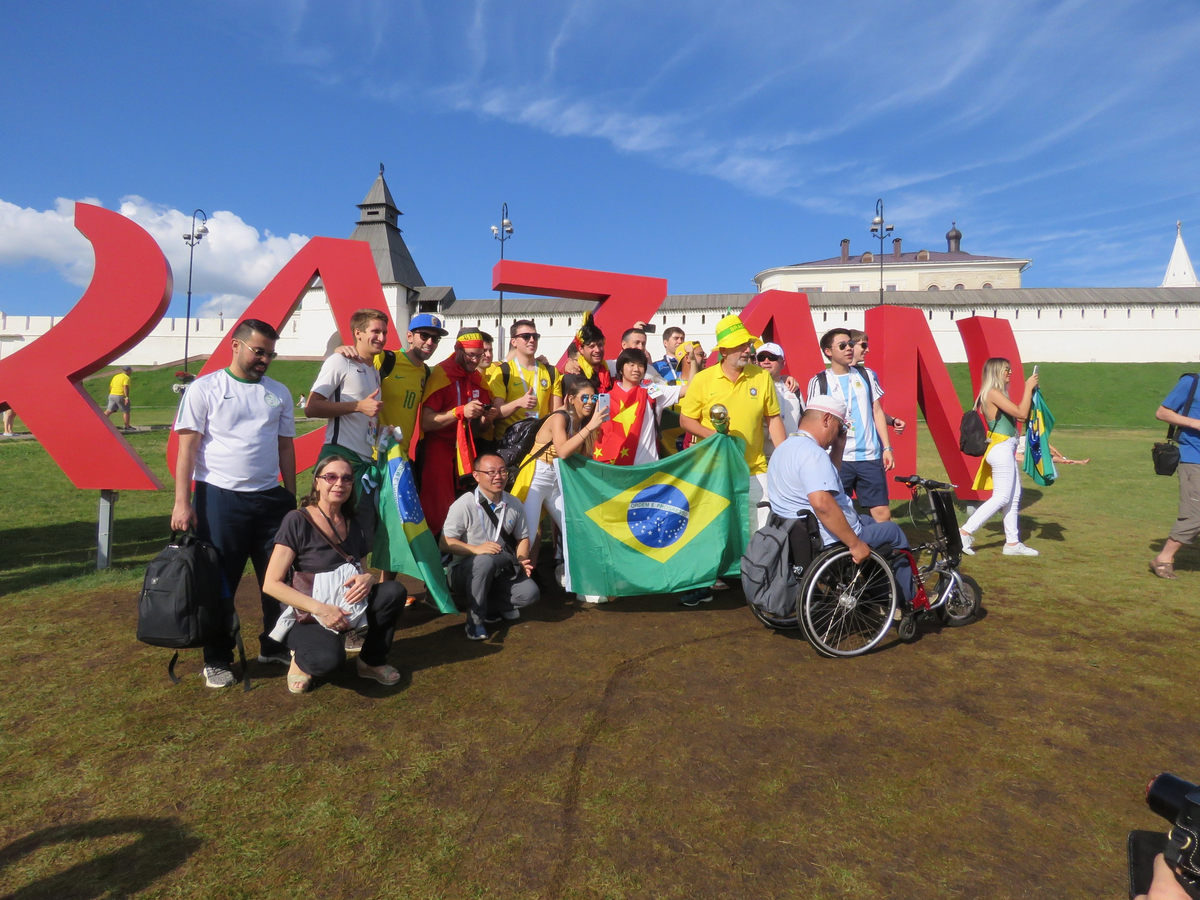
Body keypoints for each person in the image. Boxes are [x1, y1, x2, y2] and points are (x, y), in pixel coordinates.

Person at [171, 319, 298, 688]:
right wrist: (182, 502)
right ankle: (218, 658)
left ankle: (274, 645)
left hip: (271, 499)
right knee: (220, 582)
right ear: (236, 345)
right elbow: (187, 450)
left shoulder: (279, 392)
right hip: (219, 499)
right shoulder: (205, 388)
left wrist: (290, 498)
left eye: (270, 354)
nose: (264, 359)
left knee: (278, 577)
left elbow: (285, 447)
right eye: (258, 351)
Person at [262, 455, 404, 692]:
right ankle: (299, 661)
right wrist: (322, 609)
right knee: (326, 662)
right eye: (331, 477)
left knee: (393, 591)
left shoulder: (353, 522)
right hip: (309, 612)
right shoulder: (297, 520)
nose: (339, 483)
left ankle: (370, 661)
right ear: (317, 482)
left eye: (347, 478)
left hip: (347, 606)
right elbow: (271, 584)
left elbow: (361, 570)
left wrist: (367, 578)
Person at [679, 314, 785, 605]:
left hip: (755, 468)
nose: (746, 350)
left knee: (762, 529)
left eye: (747, 344)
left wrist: (786, 455)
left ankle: (761, 585)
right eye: (739, 346)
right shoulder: (703, 379)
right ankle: (702, 582)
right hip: (714, 471)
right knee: (712, 527)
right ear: (723, 351)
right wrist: (715, 437)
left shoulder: (762, 377)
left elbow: (773, 420)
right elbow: (685, 419)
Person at [767, 395, 914, 604]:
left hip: (798, 531)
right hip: (826, 537)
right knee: (893, 532)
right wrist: (854, 544)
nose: (839, 432)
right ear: (827, 419)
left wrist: (838, 449)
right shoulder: (812, 454)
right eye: (840, 425)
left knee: (871, 521)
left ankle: (877, 589)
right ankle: (905, 600)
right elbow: (822, 504)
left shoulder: (784, 448)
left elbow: (827, 482)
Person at [305, 309, 387, 546]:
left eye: (384, 332)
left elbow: (365, 415)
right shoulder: (339, 361)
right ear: (358, 333)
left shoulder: (373, 370)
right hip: (339, 459)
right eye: (375, 331)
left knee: (359, 540)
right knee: (328, 537)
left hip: (364, 463)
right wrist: (358, 406)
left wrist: (381, 431)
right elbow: (312, 407)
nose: (381, 337)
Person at [512, 375, 607, 580]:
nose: (590, 402)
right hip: (536, 477)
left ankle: (571, 575)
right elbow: (563, 451)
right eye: (585, 398)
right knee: (527, 533)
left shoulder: (582, 423)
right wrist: (591, 427)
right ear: (571, 398)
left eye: (593, 398)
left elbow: (579, 458)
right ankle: (518, 582)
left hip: (556, 480)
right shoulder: (560, 417)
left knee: (575, 528)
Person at [440, 452, 540, 640]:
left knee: (530, 593)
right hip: (465, 570)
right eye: (491, 472)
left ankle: (490, 607)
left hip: (500, 568)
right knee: (484, 561)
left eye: (503, 471)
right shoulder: (464, 504)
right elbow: (445, 542)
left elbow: (523, 538)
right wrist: (475, 550)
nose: (498, 476)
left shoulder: (514, 503)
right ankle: (475, 622)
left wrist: (521, 560)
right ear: (476, 476)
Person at [807, 328, 895, 523]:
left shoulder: (866, 375)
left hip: (869, 455)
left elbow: (877, 412)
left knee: (882, 513)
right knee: (835, 513)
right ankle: (845, 552)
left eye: (850, 344)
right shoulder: (819, 381)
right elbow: (813, 422)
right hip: (836, 457)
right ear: (828, 351)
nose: (849, 349)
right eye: (843, 345)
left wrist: (887, 448)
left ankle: (886, 552)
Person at [419, 327, 500, 535]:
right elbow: (426, 422)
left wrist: (486, 420)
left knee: (465, 503)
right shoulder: (441, 373)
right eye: (471, 355)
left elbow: (481, 429)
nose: (475, 361)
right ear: (457, 349)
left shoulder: (478, 379)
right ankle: (437, 552)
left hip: (468, 450)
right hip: (440, 447)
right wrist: (459, 412)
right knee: (439, 506)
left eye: (479, 356)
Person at [960, 357, 1040, 556]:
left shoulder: (994, 394)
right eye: (1006, 370)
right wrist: (1028, 388)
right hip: (1001, 448)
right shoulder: (993, 393)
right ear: (996, 372)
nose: (1010, 373)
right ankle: (964, 532)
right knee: (1002, 496)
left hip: (1005, 448)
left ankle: (1012, 543)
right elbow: (1021, 414)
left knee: (1013, 497)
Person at [594, 348, 681, 465]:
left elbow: (688, 389)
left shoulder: (652, 390)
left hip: (647, 465)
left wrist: (691, 360)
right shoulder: (607, 398)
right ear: (620, 369)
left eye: (640, 365)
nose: (636, 369)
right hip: (617, 466)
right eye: (631, 364)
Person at [1151, 372, 1200, 578]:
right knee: (1196, 513)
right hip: (1195, 457)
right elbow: (1162, 413)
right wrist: (1196, 423)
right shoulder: (1191, 382)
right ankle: (1163, 558)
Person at [487, 319, 562, 443]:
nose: (532, 340)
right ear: (514, 342)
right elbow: (496, 413)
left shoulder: (551, 372)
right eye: (526, 336)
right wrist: (519, 403)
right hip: (510, 444)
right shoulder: (503, 371)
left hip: (539, 444)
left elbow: (557, 413)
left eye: (535, 336)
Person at [850, 330, 906, 439]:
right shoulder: (830, 377)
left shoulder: (868, 374)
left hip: (867, 445)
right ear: (850, 346)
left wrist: (893, 420)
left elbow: (874, 410)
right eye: (863, 345)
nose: (868, 350)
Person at [754, 342, 804, 457]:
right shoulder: (752, 388)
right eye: (762, 358)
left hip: (791, 454)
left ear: (783, 363)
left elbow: (802, 419)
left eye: (772, 358)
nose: (766, 361)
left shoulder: (792, 388)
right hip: (761, 456)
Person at [103, 366, 133, 430]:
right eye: (130, 371)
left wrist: (111, 393)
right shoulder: (126, 378)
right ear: (128, 371)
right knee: (126, 411)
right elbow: (125, 387)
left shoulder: (116, 376)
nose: (131, 372)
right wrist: (126, 397)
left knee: (109, 410)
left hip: (112, 395)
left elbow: (110, 386)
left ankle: (99, 422)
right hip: (120, 395)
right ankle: (127, 426)